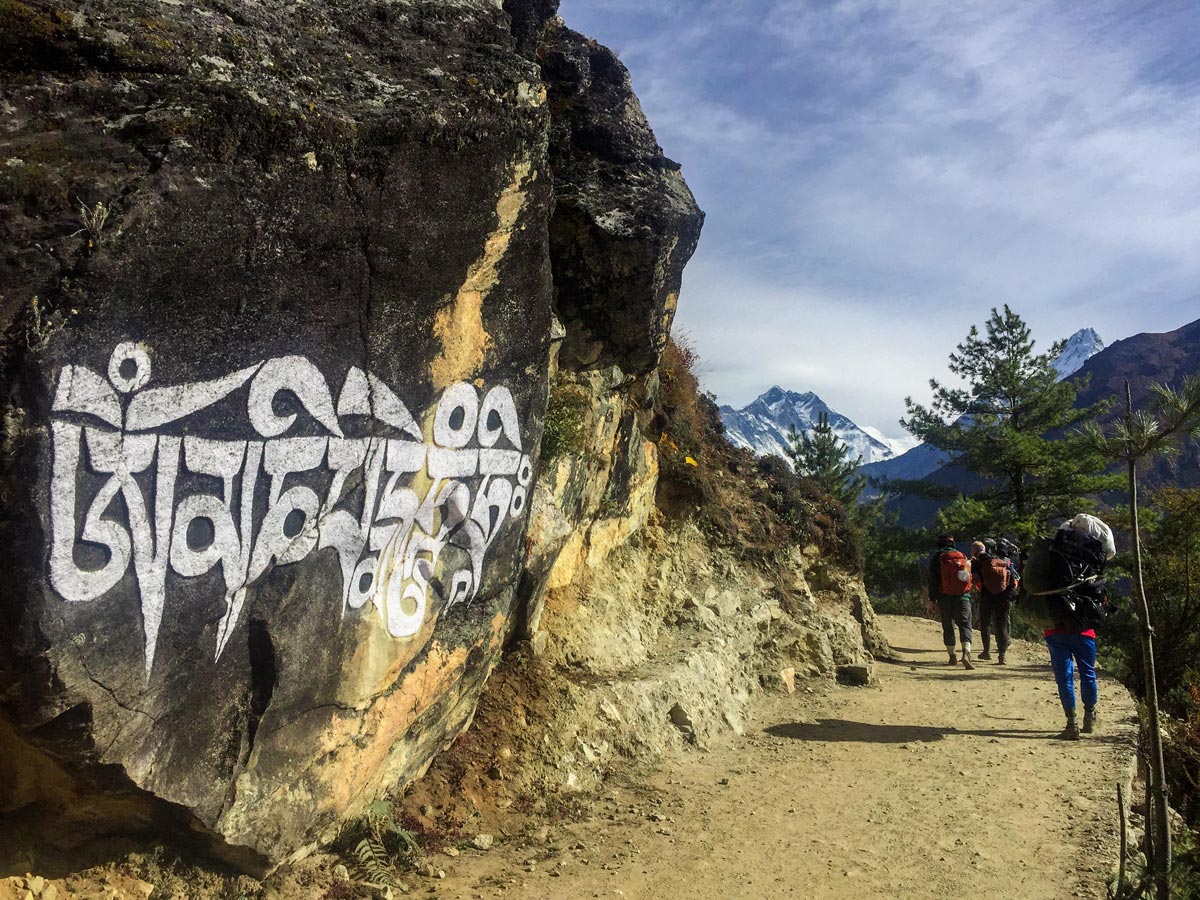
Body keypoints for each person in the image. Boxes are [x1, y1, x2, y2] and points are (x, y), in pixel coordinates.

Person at [927, 534, 975, 669]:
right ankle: (966, 653)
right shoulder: (962, 556)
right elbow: (967, 577)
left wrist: (932, 598)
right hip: (963, 596)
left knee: (948, 625)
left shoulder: (937, 558)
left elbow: (933, 581)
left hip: (944, 597)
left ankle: (952, 656)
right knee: (965, 624)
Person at [974, 538, 1018, 664]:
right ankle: (1002, 655)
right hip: (1003, 598)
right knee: (1002, 625)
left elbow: (973, 574)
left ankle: (986, 652)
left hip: (986, 596)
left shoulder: (983, 560)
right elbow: (1014, 580)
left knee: (985, 624)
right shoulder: (1007, 561)